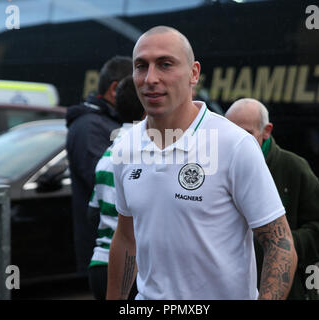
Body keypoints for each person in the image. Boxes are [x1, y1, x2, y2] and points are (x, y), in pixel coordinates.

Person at [106, 26, 297, 300]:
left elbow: (280, 243)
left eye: (165, 64)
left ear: (194, 73)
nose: (150, 78)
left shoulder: (234, 144)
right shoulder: (125, 146)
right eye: (141, 66)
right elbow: (126, 239)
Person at [225, 98, 319, 300]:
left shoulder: (292, 167)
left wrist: (283, 245)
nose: (236, 142)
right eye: (230, 133)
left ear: (267, 131)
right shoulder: (215, 169)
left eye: (247, 134)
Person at [66, 56, 132, 276]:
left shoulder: (105, 122)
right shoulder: (91, 126)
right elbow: (105, 184)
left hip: (117, 248)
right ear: (115, 89)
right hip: (104, 251)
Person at [88, 76, 144, 300]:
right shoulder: (145, 153)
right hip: (131, 269)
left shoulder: (108, 154)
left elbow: (93, 212)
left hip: (100, 264)